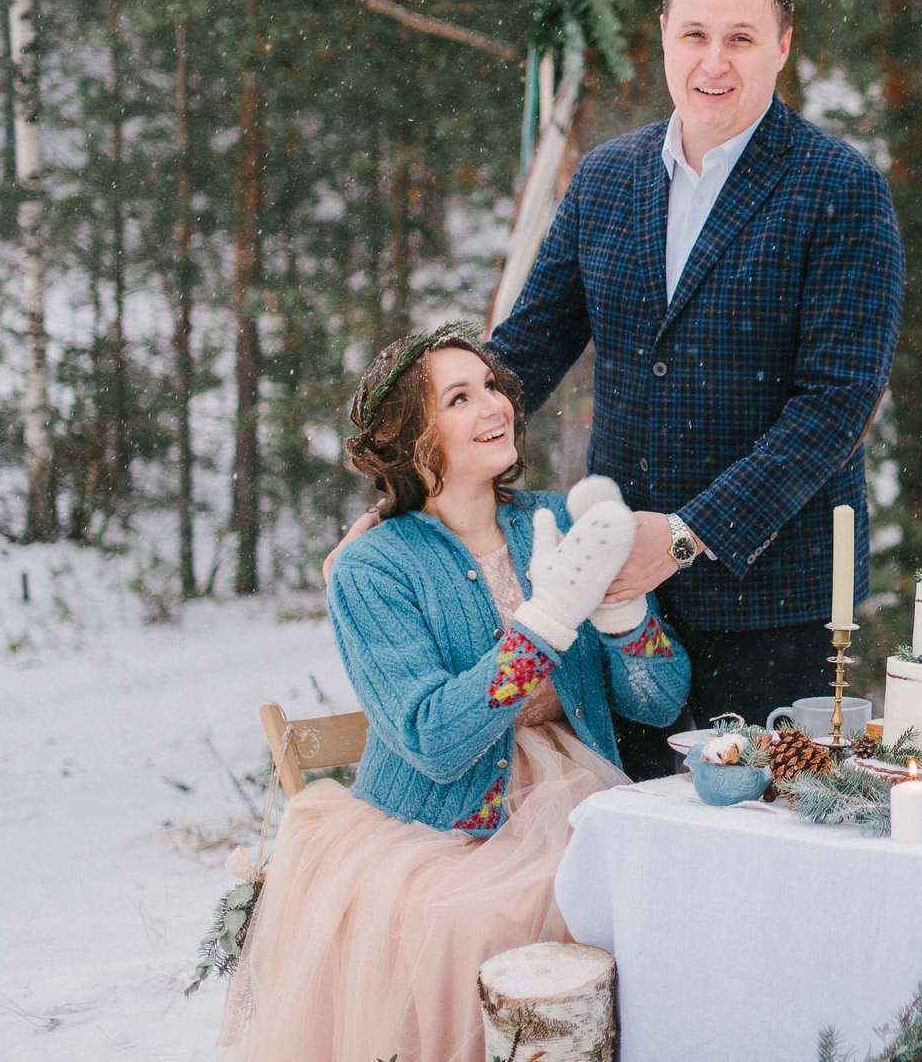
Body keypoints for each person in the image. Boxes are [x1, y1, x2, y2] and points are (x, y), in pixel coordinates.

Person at [488, 0, 906, 775]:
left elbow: (834, 408)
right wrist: (415, 469)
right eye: (695, 34)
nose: (714, 61)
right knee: (630, 830)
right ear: (666, 35)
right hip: (620, 594)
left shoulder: (839, 190)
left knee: (752, 845)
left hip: (774, 600)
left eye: (741, 38)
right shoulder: (608, 178)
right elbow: (522, 352)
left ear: (783, 46)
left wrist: (685, 534)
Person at [222, 323, 689, 1062]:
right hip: (440, 829)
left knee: (659, 894)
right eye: (460, 397)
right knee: (491, 919)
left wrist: (621, 613)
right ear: (412, 436)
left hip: (583, 793)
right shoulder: (371, 569)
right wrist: (545, 621)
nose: (495, 405)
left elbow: (660, 698)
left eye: (492, 386)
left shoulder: (561, 518)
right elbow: (436, 740)